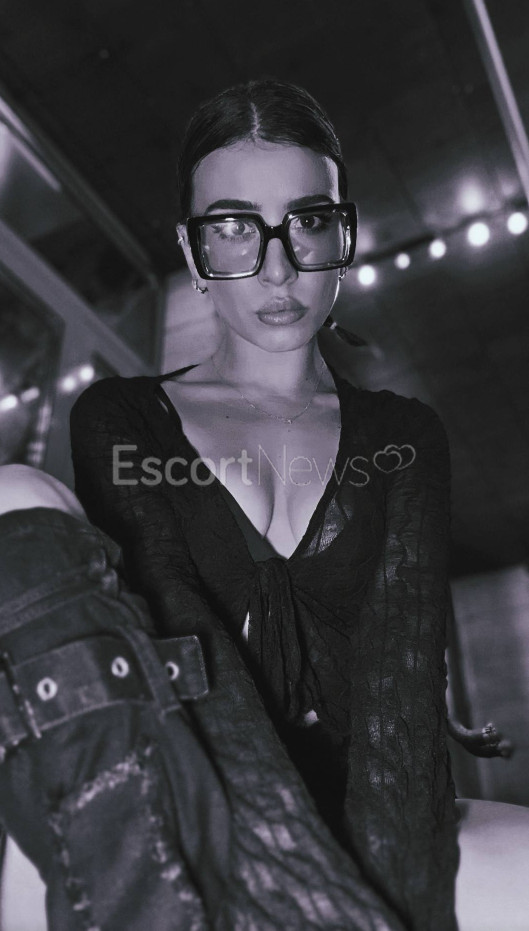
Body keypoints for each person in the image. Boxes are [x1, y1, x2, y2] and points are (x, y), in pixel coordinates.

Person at [1, 79, 529, 930]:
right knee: (14, 493)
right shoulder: (122, 418)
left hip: (365, 809)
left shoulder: (403, 437)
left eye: (306, 220)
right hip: (198, 795)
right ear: (192, 248)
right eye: (234, 227)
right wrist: (293, 879)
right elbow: (188, 645)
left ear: (341, 233)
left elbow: (397, 709)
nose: (277, 267)